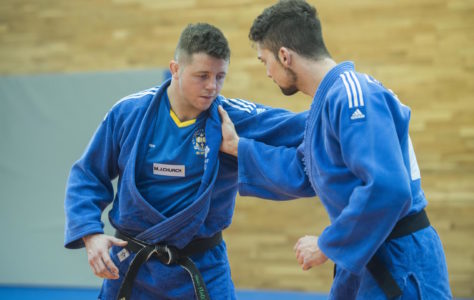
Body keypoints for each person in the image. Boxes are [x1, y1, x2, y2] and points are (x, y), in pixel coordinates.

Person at [217, 0, 452, 299]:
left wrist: (327, 243)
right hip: (369, 257)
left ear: (285, 56)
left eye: (265, 61)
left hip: (400, 261)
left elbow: (389, 188)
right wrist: (240, 149)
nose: (267, 73)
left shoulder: (355, 95)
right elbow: (303, 170)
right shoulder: (328, 103)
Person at [64, 23, 313, 300]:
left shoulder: (231, 118)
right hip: (133, 264)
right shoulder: (129, 112)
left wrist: (354, 97)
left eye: (220, 76)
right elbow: (88, 175)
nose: (212, 87)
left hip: (201, 266)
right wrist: (90, 234)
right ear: (175, 69)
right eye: (202, 75)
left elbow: (306, 126)